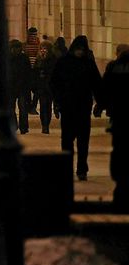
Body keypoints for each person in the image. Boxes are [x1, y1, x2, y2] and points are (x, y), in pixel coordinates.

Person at [50, 34, 103, 181]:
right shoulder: (64, 62)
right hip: (68, 107)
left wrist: (100, 103)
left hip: (83, 107)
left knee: (82, 141)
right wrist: (58, 101)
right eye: (78, 49)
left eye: (82, 49)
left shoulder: (88, 64)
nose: (80, 52)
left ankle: (81, 169)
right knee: (67, 140)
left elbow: (97, 85)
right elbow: (54, 83)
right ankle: (67, 167)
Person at [99, 44, 129, 209]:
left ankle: (120, 186)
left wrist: (102, 105)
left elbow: (105, 88)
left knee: (118, 150)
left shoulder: (113, 67)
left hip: (119, 118)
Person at [35, 37, 61, 134]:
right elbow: (35, 72)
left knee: (48, 106)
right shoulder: (39, 58)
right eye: (41, 48)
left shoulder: (53, 58)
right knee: (43, 106)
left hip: (50, 86)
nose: (43, 50)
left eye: (45, 48)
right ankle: (44, 125)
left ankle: (47, 124)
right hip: (41, 86)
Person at [8, 39, 33, 134]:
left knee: (23, 108)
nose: (15, 50)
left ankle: (23, 127)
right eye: (14, 48)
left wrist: (29, 85)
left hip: (22, 87)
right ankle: (14, 125)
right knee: (11, 108)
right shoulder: (7, 58)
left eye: (17, 48)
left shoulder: (24, 58)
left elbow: (28, 73)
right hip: (11, 87)